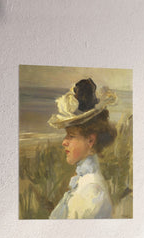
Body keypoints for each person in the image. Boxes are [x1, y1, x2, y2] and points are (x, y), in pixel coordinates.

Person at [47, 78, 118, 219]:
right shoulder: (82, 180)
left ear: (90, 140)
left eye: (71, 136)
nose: (64, 142)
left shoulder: (91, 191)